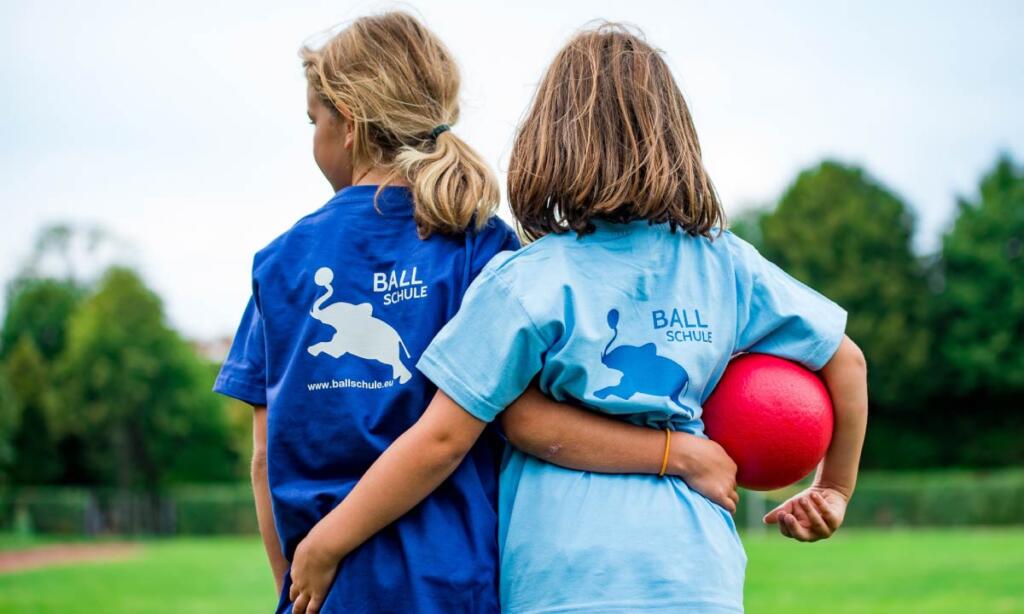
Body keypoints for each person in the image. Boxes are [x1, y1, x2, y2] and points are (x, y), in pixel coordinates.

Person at [285, 23, 869, 613]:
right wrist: (835, 490)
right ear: (675, 139)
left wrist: (327, 542)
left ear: (548, 139)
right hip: (696, 576)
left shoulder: (526, 280)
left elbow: (442, 438)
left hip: (562, 581)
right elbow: (847, 359)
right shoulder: (724, 264)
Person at [216, 13, 741, 614]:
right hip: (457, 586)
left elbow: (264, 456)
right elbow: (513, 421)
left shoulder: (279, 263)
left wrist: (297, 580)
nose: (314, 138)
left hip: (328, 588)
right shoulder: (481, 246)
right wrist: (677, 452)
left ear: (351, 125)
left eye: (315, 120)